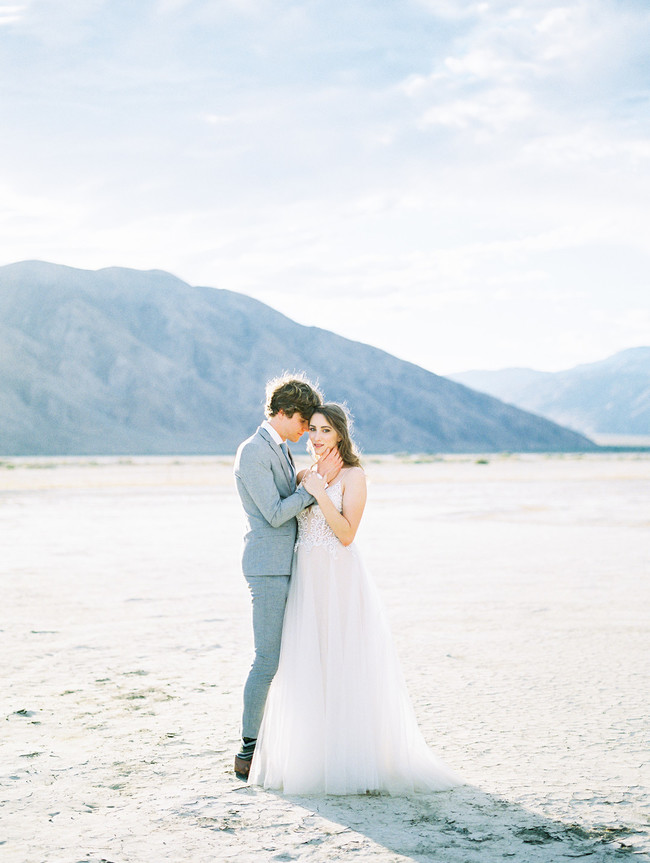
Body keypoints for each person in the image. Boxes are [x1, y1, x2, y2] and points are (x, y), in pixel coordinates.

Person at [248, 403, 462, 795]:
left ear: (340, 435)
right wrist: (307, 485)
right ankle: (313, 756)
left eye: (325, 430)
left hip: (339, 576)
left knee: (343, 661)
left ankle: (353, 759)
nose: (315, 436)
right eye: (311, 428)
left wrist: (317, 494)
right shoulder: (305, 473)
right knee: (309, 664)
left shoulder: (354, 475)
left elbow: (347, 533)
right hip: (306, 579)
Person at [233, 375, 342, 779]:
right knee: (266, 660)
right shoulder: (253, 452)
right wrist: (313, 488)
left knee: (289, 656)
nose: (306, 431)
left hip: (288, 562)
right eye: (303, 422)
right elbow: (276, 513)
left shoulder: (276, 448)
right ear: (283, 413)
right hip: (267, 566)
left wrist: (307, 480)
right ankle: (247, 750)